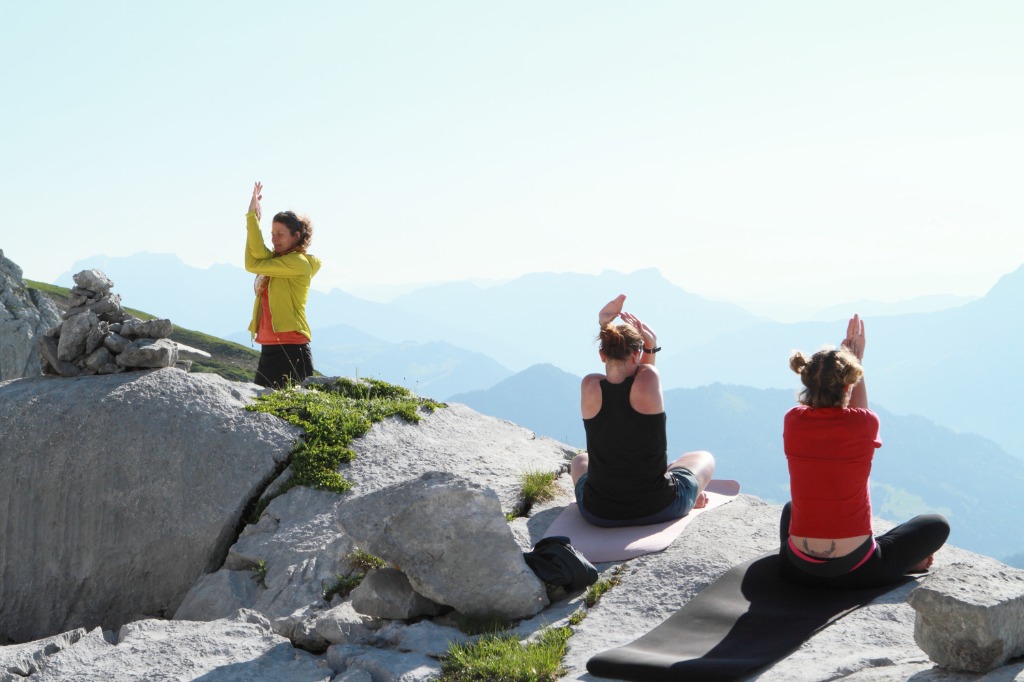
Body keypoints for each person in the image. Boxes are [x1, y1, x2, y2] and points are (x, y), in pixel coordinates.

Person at [779, 314, 950, 588]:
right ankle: (903, 562)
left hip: (796, 568)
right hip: (857, 570)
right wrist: (856, 358)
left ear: (807, 382)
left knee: (791, 509)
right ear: (850, 382)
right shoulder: (865, 423)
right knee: (937, 524)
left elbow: (842, 411)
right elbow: (857, 412)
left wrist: (849, 363)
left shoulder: (792, 419)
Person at [569, 294, 716, 527]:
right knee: (703, 458)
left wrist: (604, 325)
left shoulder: (589, 385)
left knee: (579, 461)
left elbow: (625, 377)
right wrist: (651, 345)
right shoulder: (648, 378)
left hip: (598, 512)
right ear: (637, 354)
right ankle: (686, 497)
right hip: (659, 507)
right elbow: (644, 376)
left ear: (601, 355)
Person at [244, 181, 322, 388]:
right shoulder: (277, 263)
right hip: (269, 347)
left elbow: (253, 263)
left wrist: (252, 221)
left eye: (280, 234)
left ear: (297, 236)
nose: (274, 239)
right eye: (272, 233)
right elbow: (256, 256)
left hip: (292, 348)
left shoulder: (298, 263)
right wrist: (252, 217)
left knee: (292, 415)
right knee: (260, 415)